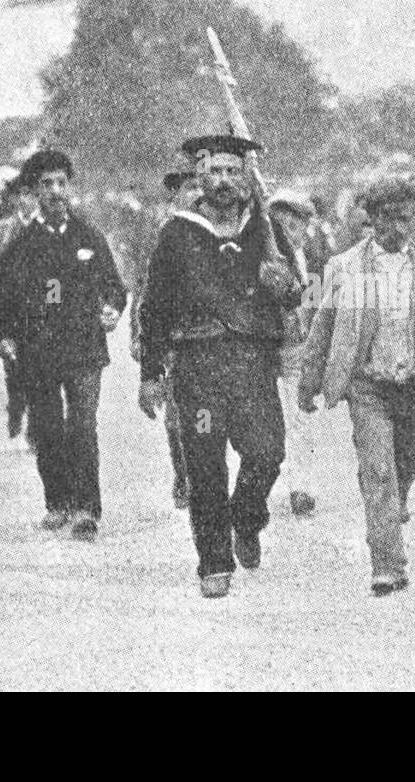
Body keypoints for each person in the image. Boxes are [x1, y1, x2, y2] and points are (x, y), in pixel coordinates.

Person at [137, 134, 302, 599]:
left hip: (252, 363)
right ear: (200, 177)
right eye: (215, 172)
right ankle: (213, 561)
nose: (224, 181)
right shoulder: (177, 233)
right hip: (198, 366)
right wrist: (151, 373)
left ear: (246, 176)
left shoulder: (266, 229)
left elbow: (299, 292)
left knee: (267, 451)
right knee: (205, 466)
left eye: (233, 171)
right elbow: (154, 309)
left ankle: (247, 519)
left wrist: (284, 284)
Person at [299, 177, 415, 595]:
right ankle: (388, 563)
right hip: (368, 384)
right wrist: (309, 382)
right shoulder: (343, 267)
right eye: (390, 219)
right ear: (372, 219)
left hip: (414, 383)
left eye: (406, 219)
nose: (399, 229)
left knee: (404, 464)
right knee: (378, 471)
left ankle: (396, 502)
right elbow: (322, 326)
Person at [0, 149, 128, 542]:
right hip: (39, 350)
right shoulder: (22, 243)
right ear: (34, 192)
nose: (55, 191)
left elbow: (114, 287)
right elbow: (1, 297)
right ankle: (58, 501)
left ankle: (87, 507)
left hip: (84, 347)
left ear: (70, 187)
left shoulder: (89, 236)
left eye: (61, 183)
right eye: (47, 185)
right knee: (49, 427)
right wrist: (4, 337)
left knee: (83, 424)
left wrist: (112, 309)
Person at [128, 170, 198, 511]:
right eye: (190, 188)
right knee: (175, 417)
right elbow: (145, 292)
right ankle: (184, 473)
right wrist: (138, 336)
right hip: (171, 340)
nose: (197, 194)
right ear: (175, 196)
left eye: (201, 186)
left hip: (208, 341)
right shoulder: (161, 234)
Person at [269, 188, 321, 517]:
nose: (290, 232)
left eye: (296, 224)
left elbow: (316, 305)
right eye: (282, 224)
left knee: (299, 419)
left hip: (296, 349)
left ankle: (299, 486)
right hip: (265, 347)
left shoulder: (313, 261)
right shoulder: (265, 258)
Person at [0, 178, 40, 448]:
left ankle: (34, 428)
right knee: (13, 367)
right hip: (11, 305)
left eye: (30, 195)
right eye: (21, 195)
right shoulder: (4, 228)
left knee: (37, 368)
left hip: (36, 307)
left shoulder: (43, 226)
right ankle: (15, 408)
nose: (26, 200)